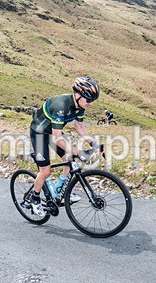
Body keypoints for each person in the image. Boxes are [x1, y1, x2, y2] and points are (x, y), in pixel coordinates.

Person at [26, 76, 101, 216]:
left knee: (69, 159)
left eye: (93, 100)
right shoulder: (61, 106)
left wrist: (94, 144)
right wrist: (78, 151)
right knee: (45, 171)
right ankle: (34, 198)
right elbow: (57, 138)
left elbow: (80, 127)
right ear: (77, 95)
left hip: (54, 132)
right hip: (39, 133)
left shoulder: (80, 106)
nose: (91, 104)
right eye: (89, 100)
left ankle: (60, 191)